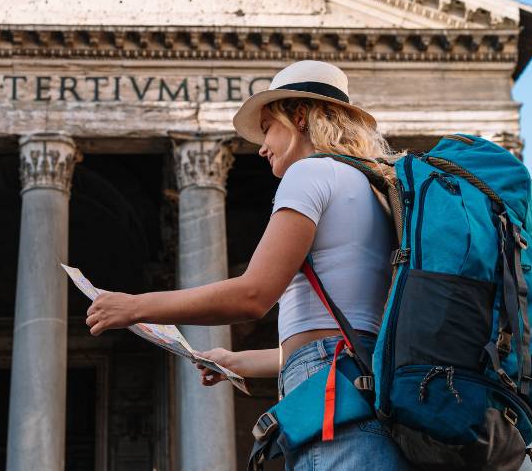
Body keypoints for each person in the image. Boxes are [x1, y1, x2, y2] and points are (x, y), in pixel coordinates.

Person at [85, 60, 411, 470]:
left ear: (300, 116)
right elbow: (342, 340)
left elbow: (254, 295)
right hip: (363, 386)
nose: (261, 146)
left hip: (331, 396)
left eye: (268, 128)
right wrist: (236, 361)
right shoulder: (376, 188)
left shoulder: (310, 174)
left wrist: (135, 307)